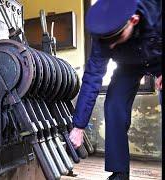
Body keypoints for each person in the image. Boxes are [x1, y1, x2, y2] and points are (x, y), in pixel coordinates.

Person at [68, 0, 162, 179]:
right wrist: (78, 126)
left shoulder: (156, 10)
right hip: (127, 65)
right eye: (106, 42)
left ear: (133, 20)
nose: (110, 47)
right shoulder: (103, 37)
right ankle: (119, 172)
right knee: (113, 105)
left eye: (114, 40)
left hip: (158, 57)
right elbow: (92, 79)